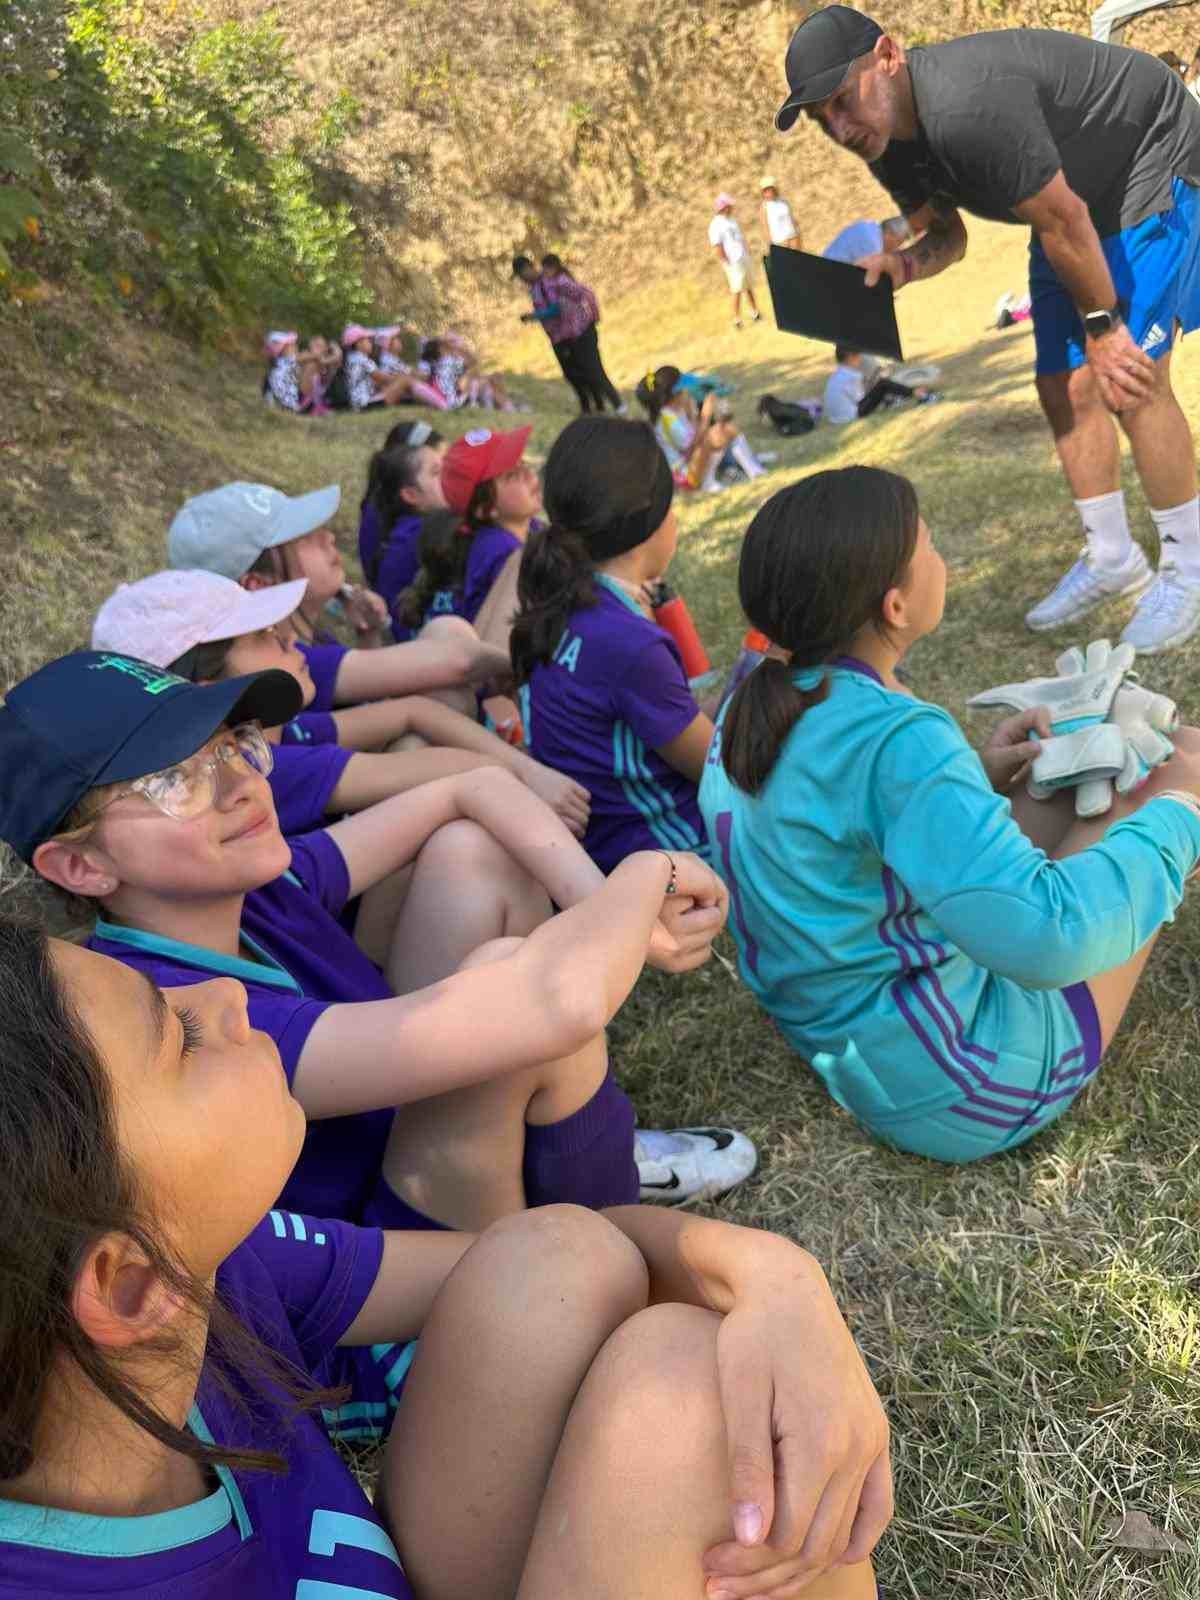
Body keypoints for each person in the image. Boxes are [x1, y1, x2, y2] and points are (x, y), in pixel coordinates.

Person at [0, 916, 890, 1600]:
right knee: (702, 1407)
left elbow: (567, 1252)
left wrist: (778, 1281)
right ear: (126, 1286)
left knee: (558, 1263)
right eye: (179, 1037)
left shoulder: (204, 1268)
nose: (224, 996)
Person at [2, 651, 760, 1216]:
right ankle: (603, 1231)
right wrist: (646, 878)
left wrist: (600, 902)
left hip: (408, 1140)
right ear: (80, 866)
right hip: (394, 1249)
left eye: (230, 745)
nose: (242, 786)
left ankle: (563, 1163)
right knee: (520, 990)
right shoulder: (173, 1018)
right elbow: (553, 1004)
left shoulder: (251, 892)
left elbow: (470, 788)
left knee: (472, 851)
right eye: (174, 781)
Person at [698, 465, 1200, 1163]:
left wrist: (972, 775)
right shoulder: (894, 737)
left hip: (853, 1039)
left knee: (1100, 768)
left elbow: (837, 827)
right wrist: (1177, 814)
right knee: (1164, 767)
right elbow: (1049, 937)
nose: (942, 557)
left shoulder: (753, 702)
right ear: (895, 604)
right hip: (958, 1082)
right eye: (929, 544)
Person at [775, 6, 1200, 653]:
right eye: (819, 118)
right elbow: (949, 237)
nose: (838, 128)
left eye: (841, 100)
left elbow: (1064, 221)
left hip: (1146, 155)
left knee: (1130, 379)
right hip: (1068, 205)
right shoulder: (884, 140)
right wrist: (901, 265)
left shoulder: (967, 107)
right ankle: (1113, 557)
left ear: (888, 57)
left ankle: (1189, 570)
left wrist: (1105, 327)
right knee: (1061, 383)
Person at [89, 569, 592, 842]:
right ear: (206, 688)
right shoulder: (254, 769)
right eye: (263, 636)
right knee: (463, 836)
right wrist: (524, 776)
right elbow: (441, 772)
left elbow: (414, 711)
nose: (290, 641)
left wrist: (527, 772)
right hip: (359, 945)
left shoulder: (271, 732)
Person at [511, 416, 725, 886]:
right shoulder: (630, 644)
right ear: (651, 520)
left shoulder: (564, 601)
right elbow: (719, 771)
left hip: (599, 851)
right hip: (670, 861)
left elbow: (658, 724)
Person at [167, 480, 513, 741]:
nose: (329, 538)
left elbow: (373, 697)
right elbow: (458, 663)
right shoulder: (283, 659)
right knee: (448, 667)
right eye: (305, 538)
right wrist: (527, 661)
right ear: (257, 584)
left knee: (448, 640)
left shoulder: (311, 641)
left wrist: (370, 634)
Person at [359, 423, 449, 639]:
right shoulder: (420, 535)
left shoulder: (407, 523)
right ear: (411, 495)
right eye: (437, 472)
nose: (450, 475)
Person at [636, 365, 765, 491]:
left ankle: (752, 468)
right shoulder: (667, 418)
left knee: (723, 429)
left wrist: (692, 414)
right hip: (684, 477)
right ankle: (709, 482)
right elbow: (689, 448)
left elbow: (694, 437)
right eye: (682, 390)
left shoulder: (675, 411)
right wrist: (705, 416)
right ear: (674, 394)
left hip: (690, 466)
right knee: (717, 433)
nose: (686, 392)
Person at [822, 344, 933, 424]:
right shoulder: (852, 376)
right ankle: (917, 393)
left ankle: (908, 393)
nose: (860, 358)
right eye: (858, 355)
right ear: (850, 357)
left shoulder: (837, 375)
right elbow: (861, 400)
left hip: (835, 418)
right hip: (851, 416)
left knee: (880, 386)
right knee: (883, 384)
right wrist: (875, 387)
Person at [708, 193, 762, 329]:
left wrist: (746, 251)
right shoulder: (716, 225)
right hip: (733, 261)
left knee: (748, 286)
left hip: (742, 256)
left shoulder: (731, 220)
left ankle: (755, 312)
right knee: (736, 288)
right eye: (729, 205)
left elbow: (740, 238)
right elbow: (717, 245)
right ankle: (736, 319)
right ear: (723, 207)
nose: (732, 207)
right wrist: (726, 261)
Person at [822, 214, 910, 264]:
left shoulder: (867, 225)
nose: (897, 247)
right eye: (898, 242)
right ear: (889, 233)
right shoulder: (873, 245)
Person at [760, 174, 803, 250]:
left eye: (770, 188)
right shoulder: (764, 206)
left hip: (793, 236)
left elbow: (791, 218)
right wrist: (770, 244)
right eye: (766, 189)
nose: (769, 191)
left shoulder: (783, 201)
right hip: (780, 241)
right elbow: (765, 227)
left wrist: (798, 233)